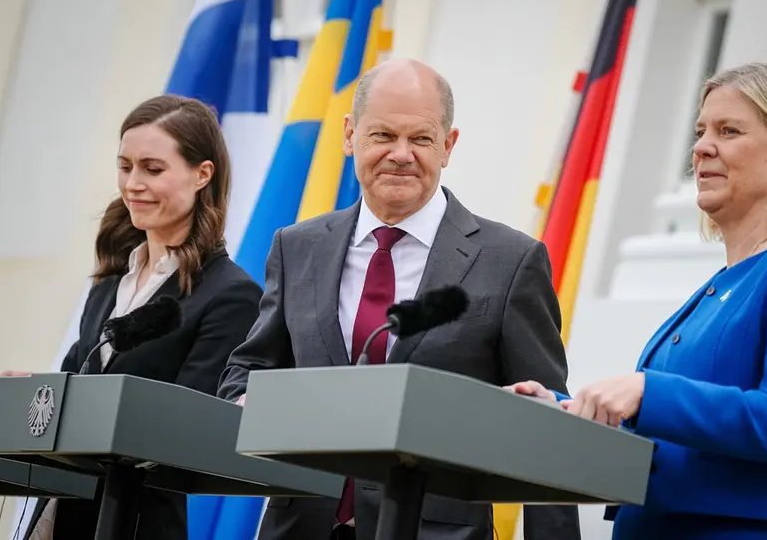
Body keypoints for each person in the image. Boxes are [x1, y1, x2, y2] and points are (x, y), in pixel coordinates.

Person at [217, 58, 582, 540]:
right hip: (302, 524)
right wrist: (249, 403)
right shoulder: (297, 247)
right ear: (350, 136)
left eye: (422, 139)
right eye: (383, 135)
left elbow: (547, 427)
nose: (401, 154)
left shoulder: (511, 261)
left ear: (448, 146)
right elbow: (247, 372)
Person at [507, 61, 767, 539]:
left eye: (729, 130)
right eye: (700, 131)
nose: (701, 147)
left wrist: (646, 391)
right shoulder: (722, 285)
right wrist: (563, 410)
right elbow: (672, 435)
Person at [9, 94, 263, 540]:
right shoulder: (111, 281)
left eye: (153, 168)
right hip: (60, 514)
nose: (132, 184)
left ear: (203, 174)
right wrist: (32, 393)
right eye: (125, 166)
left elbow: (188, 427)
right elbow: (75, 381)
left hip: (139, 522)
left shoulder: (231, 296)